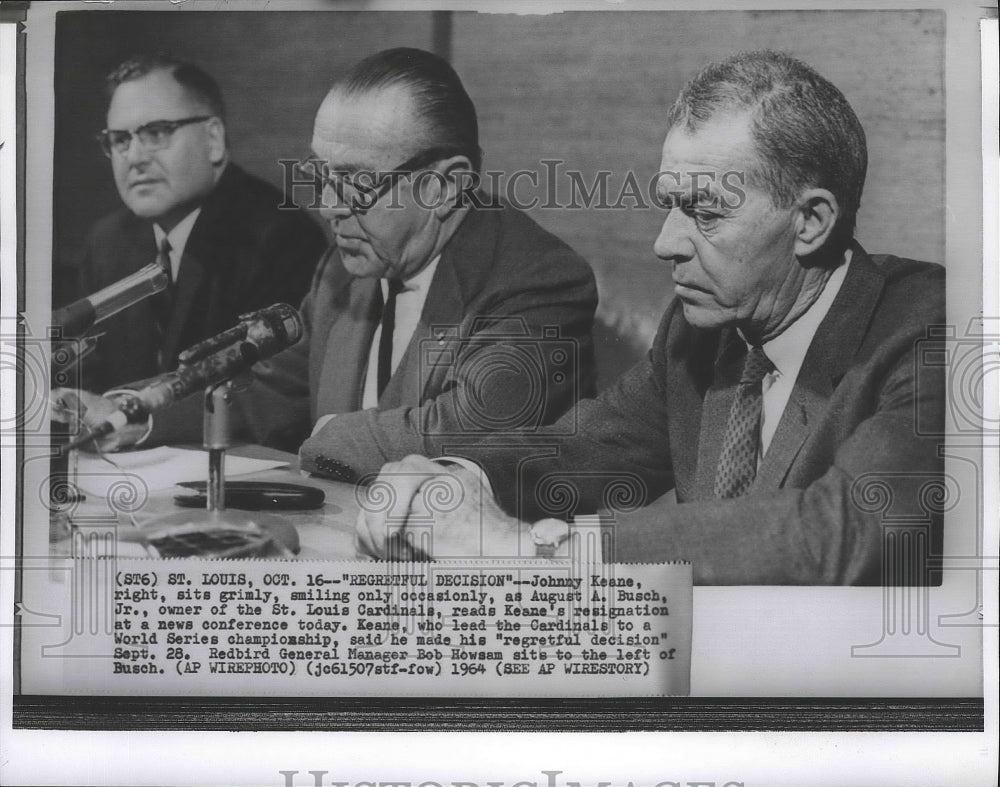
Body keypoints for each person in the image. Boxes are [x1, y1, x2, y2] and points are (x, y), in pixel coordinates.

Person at [352, 51, 947, 586]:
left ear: (811, 221)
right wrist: (455, 479)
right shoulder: (698, 330)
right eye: (669, 206)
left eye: (704, 213)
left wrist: (540, 552)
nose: (666, 244)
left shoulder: (935, 330)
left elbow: (846, 531)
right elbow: (580, 451)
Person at [55, 48, 598, 462]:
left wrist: (328, 433)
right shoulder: (343, 268)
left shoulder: (540, 280)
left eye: (357, 182)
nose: (330, 206)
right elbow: (264, 393)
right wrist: (133, 415)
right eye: (322, 175)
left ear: (445, 187)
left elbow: (464, 431)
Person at [65, 54, 326, 392]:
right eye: (120, 140)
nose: (134, 158)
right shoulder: (107, 242)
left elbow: (267, 394)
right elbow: (84, 376)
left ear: (213, 139)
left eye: (156, 133)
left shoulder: (281, 238)